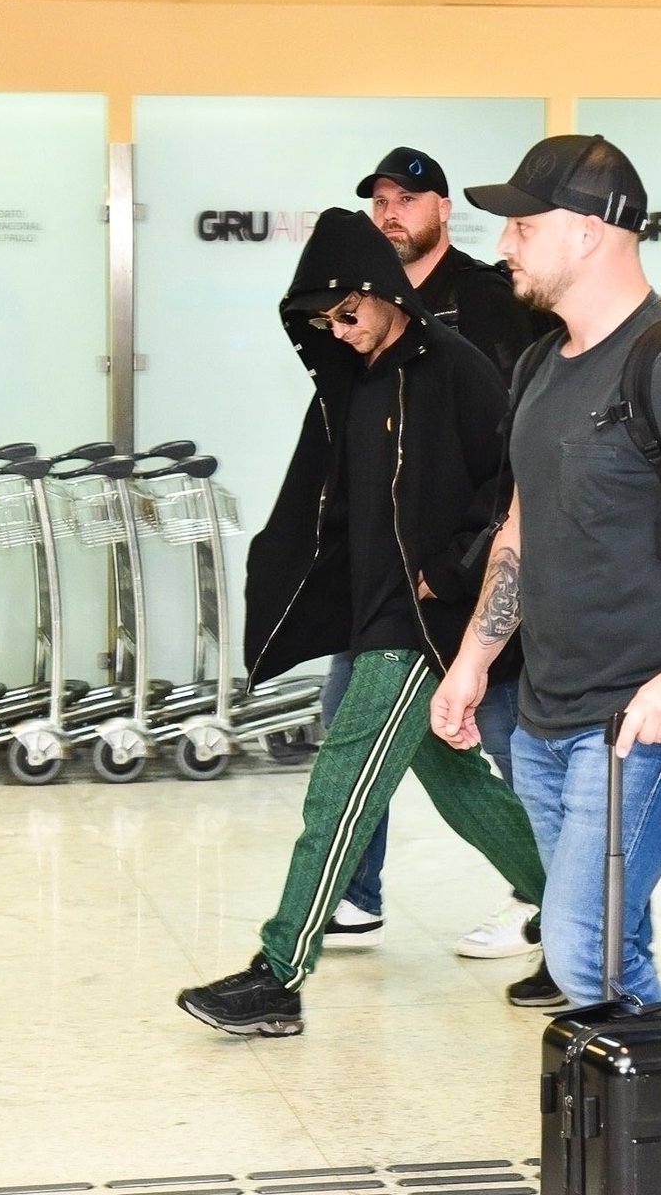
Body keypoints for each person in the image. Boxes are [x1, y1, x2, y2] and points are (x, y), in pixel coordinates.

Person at [176, 206, 546, 1036]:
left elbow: (512, 488)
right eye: (321, 322)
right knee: (461, 792)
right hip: (375, 614)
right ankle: (574, 919)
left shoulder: (451, 366)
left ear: (380, 293)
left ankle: (279, 973)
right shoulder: (352, 383)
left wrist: (446, 576)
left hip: (424, 623)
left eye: (347, 313)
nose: (336, 331)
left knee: (338, 788)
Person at [430, 133, 661, 1007]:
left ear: (590, 231)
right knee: (603, 941)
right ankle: (644, 1132)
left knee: (580, 944)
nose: (504, 241)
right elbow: (522, 527)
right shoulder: (537, 365)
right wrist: (475, 659)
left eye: (524, 222)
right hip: (543, 714)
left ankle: (657, 1130)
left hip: (642, 719)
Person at [320, 147, 560, 1003]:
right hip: (387, 570)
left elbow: (510, 445)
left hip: (470, 567)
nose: (390, 213)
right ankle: (354, 893)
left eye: (405, 199)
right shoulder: (368, 301)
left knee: (494, 734)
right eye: (379, 200)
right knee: (351, 716)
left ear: (441, 208)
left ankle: (546, 903)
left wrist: (462, 564)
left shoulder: (491, 299)